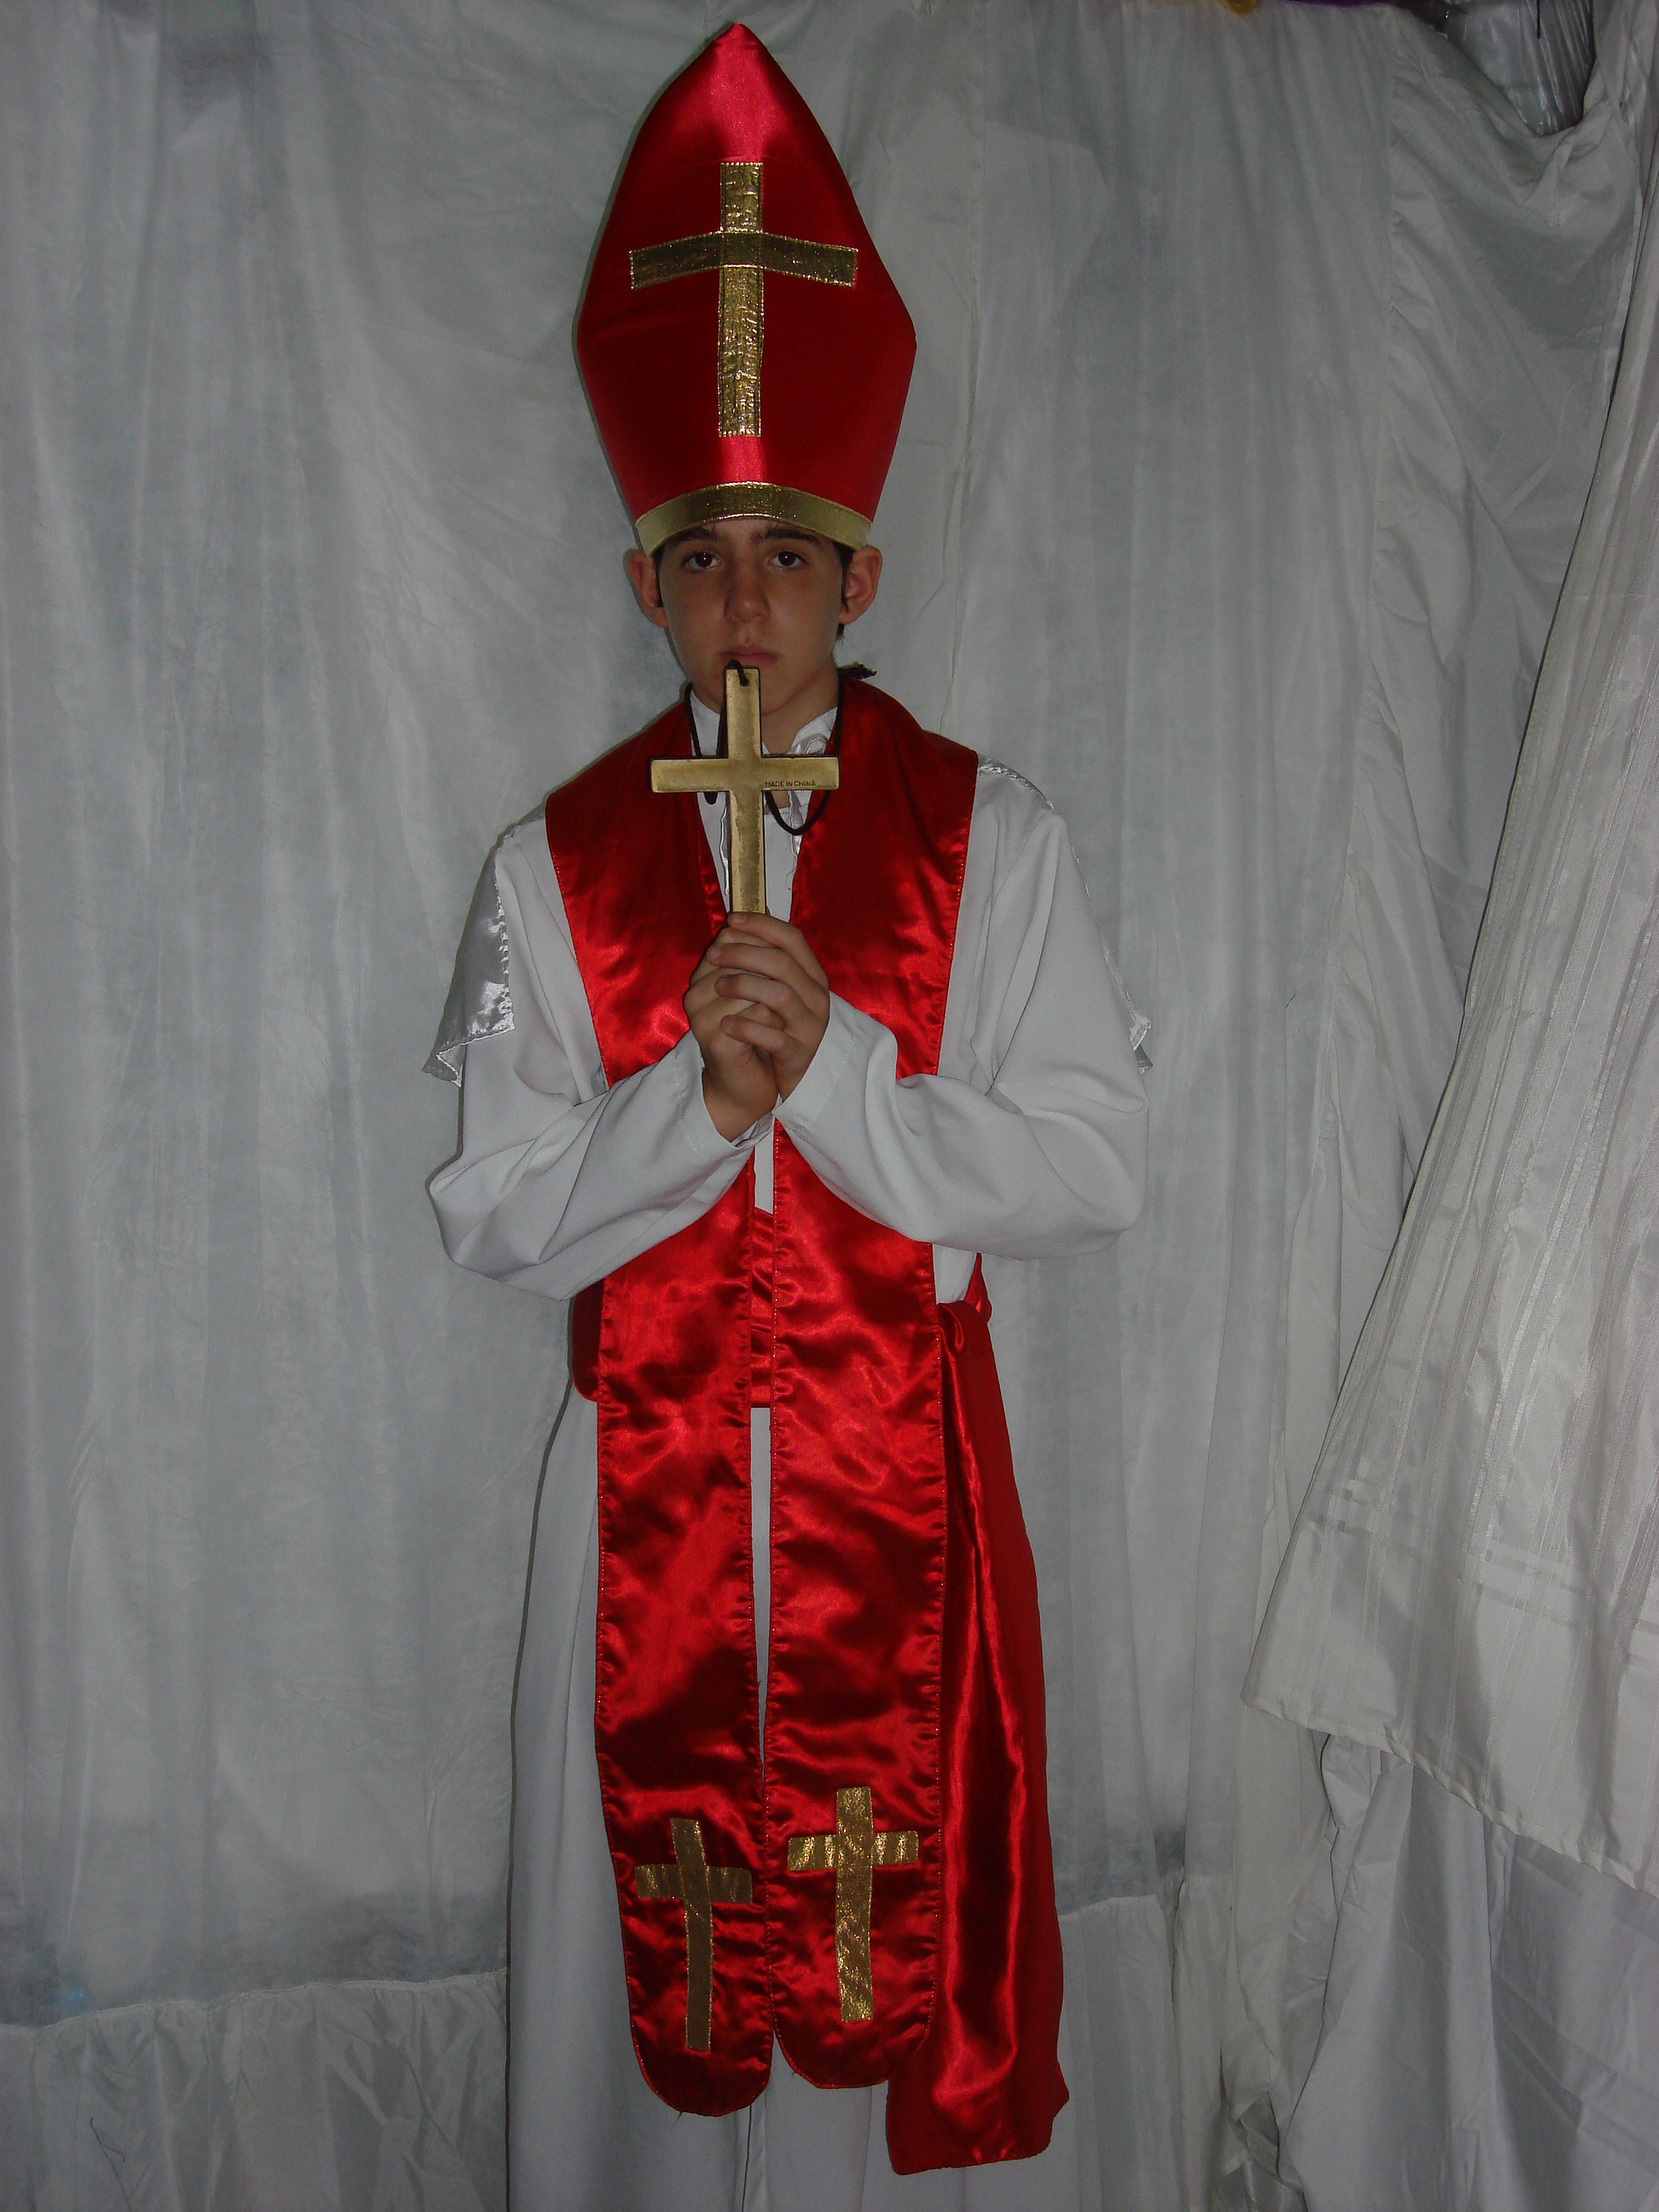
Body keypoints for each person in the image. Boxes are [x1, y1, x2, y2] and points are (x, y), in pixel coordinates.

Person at [427, 26, 1147, 2209]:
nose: (747, 603)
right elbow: (493, 1211)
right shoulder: (549, 867)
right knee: (634, 1997)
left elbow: (1092, 1165)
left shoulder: (996, 841)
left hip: (895, 1503)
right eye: (705, 554)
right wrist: (693, 1107)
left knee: (874, 1954)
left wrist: (830, 1078)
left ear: (864, 576)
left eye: (792, 553)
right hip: (639, 1510)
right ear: (642, 580)